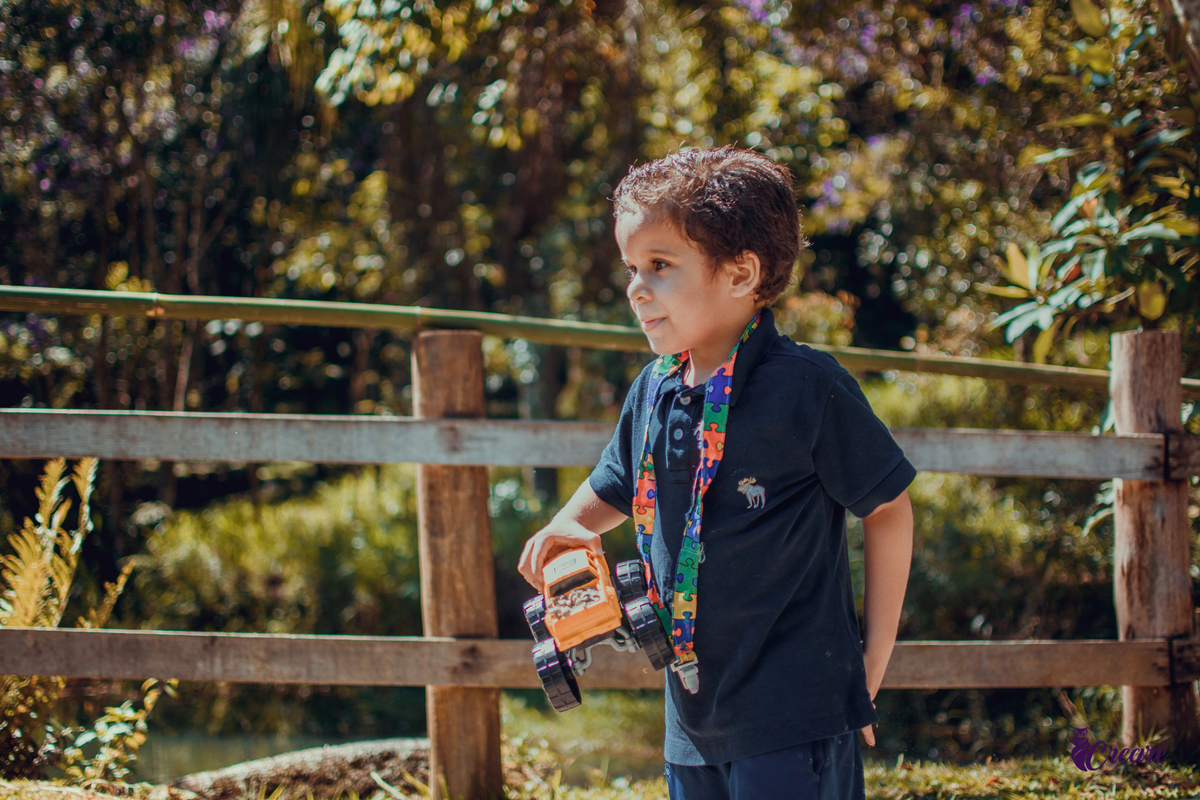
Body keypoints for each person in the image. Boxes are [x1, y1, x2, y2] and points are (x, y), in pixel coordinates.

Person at [518, 144, 915, 800]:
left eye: (660, 265)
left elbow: (889, 507)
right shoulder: (653, 388)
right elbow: (615, 486)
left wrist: (870, 664)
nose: (635, 288)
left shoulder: (807, 389)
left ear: (740, 275)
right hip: (691, 719)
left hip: (796, 714)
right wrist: (565, 529)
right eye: (631, 267)